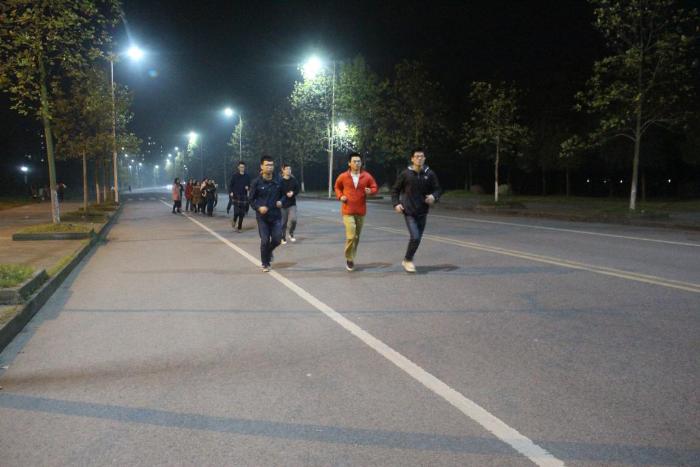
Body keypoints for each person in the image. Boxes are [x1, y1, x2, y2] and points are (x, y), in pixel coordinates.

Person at [391, 148, 442, 273]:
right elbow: (395, 190)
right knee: (415, 236)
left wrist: (433, 196)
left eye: (422, 156)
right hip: (409, 211)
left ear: (424, 158)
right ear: (412, 159)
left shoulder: (429, 174)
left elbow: (438, 189)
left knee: (417, 238)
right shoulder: (405, 174)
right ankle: (408, 260)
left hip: (423, 211)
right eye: (417, 156)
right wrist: (396, 204)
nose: (419, 158)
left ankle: (407, 259)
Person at [334, 152, 378, 272]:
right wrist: (340, 196)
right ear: (349, 163)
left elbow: (374, 187)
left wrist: (371, 191)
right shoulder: (343, 176)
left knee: (357, 237)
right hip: (347, 210)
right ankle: (349, 258)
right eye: (354, 161)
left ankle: (351, 257)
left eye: (359, 161)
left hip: (361, 210)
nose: (357, 163)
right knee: (351, 235)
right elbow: (337, 187)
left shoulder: (366, 176)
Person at [249, 155, 284, 272]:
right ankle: (265, 263)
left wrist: (281, 201)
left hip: (276, 216)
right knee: (264, 240)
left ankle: (268, 252)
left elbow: (284, 195)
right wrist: (259, 208)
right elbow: (251, 200)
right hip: (262, 217)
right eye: (267, 165)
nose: (270, 167)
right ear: (261, 166)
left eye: (271, 165)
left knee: (277, 239)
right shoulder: (256, 182)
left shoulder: (279, 181)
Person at [280, 163, 300, 244]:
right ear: (283, 170)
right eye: (287, 169)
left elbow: (297, 189)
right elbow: (278, 192)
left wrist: (293, 193)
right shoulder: (280, 181)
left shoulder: (293, 180)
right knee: (283, 222)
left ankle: (291, 233)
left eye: (290, 169)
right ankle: (283, 237)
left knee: (294, 220)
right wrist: (286, 194)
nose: (289, 171)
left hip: (292, 204)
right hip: (283, 205)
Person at [229, 161, 251, 232]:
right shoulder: (234, 176)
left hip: (244, 197)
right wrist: (231, 192)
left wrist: (248, 188)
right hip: (236, 196)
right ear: (238, 167)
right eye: (241, 167)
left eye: (243, 167)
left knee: (242, 213)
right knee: (236, 212)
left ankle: (239, 227)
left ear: (245, 167)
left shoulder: (247, 176)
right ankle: (234, 220)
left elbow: (249, 186)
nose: (242, 168)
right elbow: (230, 185)